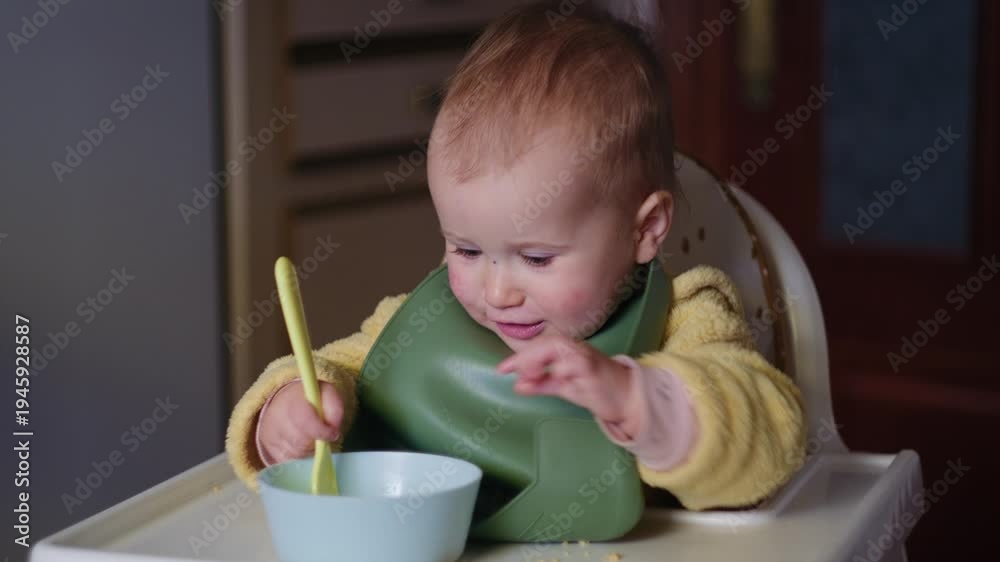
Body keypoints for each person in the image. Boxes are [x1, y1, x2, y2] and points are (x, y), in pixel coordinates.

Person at [226, 1, 806, 512]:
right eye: (467, 248)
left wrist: (639, 400)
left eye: (536, 258)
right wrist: (289, 415)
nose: (497, 292)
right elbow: (339, 371)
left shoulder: (686, 315)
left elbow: (774, 439)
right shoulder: (425, 321)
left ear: (646, 229)